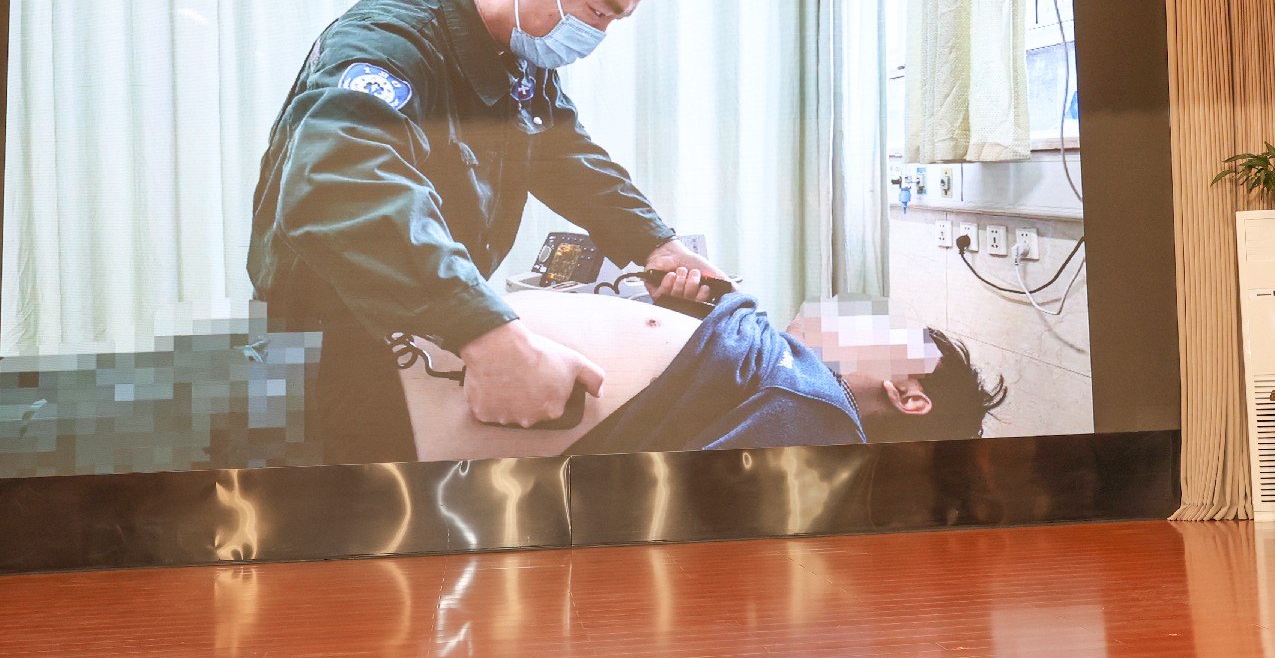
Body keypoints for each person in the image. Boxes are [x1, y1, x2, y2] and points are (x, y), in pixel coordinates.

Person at [249, 0, 731, 465]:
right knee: (350, 509)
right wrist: (486, 334)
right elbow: (342, 187)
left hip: (422, 323)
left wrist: (657, 245)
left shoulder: (517, 57)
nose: (597, 35)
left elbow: (563, 155)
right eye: (597, 12)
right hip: (331, 343)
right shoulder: (388, 42)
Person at [395, 282, 1010, 462]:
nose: (861, 319)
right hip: (407, 365)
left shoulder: (820, 420)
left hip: (404, 407)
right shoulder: (783, 375)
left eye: (891, 337)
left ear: (908, 397)